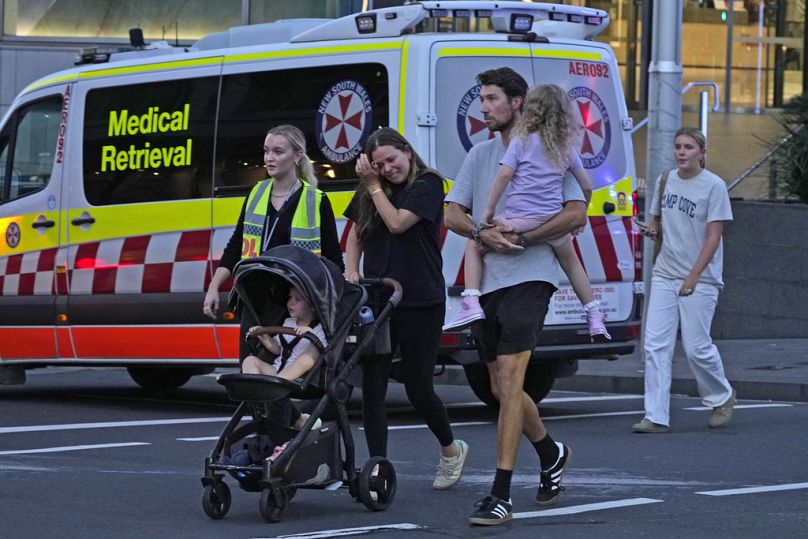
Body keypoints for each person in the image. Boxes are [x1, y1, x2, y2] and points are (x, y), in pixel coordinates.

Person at [444, 68, 587, 525]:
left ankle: (500, 493)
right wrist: (483, 230)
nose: (483, 107)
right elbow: (452, 213)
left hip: (532, 274)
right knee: (501, 386)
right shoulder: (481, 154)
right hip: (486, 281)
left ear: (518, 102)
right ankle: (550, 450)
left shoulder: (550, 148)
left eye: (490, 99)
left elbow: (576, 211)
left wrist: (523, 240)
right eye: (481, 98)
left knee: (509, 375)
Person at [343, 127, 469, 490]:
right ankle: (378, 465)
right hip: (379, 299)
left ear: (408, 153)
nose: (387, 169)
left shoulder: (428, 185)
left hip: (420, 298)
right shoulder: (372, 188)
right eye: (379, 165)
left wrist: (373, 186)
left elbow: (398, 223)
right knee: (373, 383)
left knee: (418, 386)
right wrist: (352, 272)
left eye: (391, 160)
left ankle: (450, 449)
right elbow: (356, 233)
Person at [442, 84, 610, 344]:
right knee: (572, 263)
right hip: (553, 217)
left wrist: (488, 210)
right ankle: (594, 314)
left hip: (521, 219)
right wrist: (583, 213)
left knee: (475, 244)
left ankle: (471, 300)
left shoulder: (521, 141)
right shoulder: (565, 148)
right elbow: (586, 186)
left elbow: (505, 174)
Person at [203, 124, 343, 428]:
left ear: (297, 156)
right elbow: (236, 244)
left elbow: (333, 259)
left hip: (293, 301)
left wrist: (325, 308)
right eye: (266, 151)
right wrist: (215, 286)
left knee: (278, 379)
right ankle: (289, 428)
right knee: (252, 376)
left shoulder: (316, 200)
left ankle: (279, 444)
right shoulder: (257, 193)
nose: (269, 158)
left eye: (278, 151)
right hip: (254, 299)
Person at [632, 126, 736, 434]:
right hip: (665, 272)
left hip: (700, 277)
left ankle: (722, 395)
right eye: (678, 146)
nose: (681, 152)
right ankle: (655, 415)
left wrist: (693, 276)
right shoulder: (665, 179)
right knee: (654, 345)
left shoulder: (713, 186)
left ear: (701, 153)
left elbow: (714, 236)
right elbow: (658, 220)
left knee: (696, 347)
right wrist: (651, 230)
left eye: (688, 147)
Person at [242, 286, 325, 430]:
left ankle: (277, 385)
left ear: (312, 306)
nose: (291, 302)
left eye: (297, 299)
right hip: (277, 371)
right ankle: (255, 388)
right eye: (289, 298)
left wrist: (311, 334)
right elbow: (278, 349)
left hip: (302, 377)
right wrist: (264, 337)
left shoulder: (319, 328)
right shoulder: (288, 322)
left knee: (309, 356)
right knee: (250, 360)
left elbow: (321, 351)